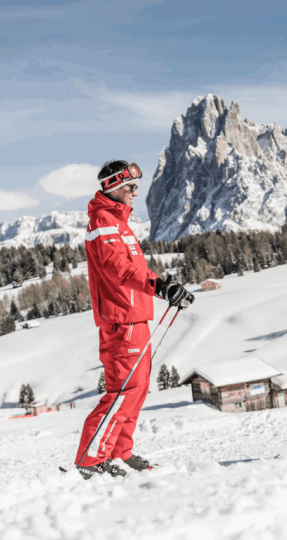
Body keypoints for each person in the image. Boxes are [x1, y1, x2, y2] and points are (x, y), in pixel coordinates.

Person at [75, 160, 194, 479]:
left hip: (135, 317)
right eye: (130, 187)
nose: (135, 192)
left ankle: (118, 452)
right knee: (122, 392)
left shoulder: (119, 222)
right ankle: (90, 460)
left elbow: (137, 271)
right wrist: (156, 286)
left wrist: (165, 287)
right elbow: (117, 268)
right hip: (120, 320)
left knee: (137, 390)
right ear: (113, 186)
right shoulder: (103, 220)